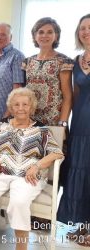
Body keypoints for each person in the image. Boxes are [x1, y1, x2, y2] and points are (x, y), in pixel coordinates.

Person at [0, 88, 63, 250]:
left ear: (32, 107)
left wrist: (36, 166)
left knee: (19, 202)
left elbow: (57, 153)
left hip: (27, 175)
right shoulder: (0, 126)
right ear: (11, 107)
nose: (20, 108)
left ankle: (20, 247)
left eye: (25, 104)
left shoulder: (41, 130)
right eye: (16, 105)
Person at [57, 13, 90, 247]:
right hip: (80, 124)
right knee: (80, 174)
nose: (86, 31)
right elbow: (74, 96)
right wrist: (65, 124)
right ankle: (83, 225)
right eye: (82, 28)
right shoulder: (77, 60)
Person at [22, 17, 73, 127]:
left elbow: (68, 96)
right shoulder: (27, 62)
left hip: (53, 124)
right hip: (29, 122)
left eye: (50, 32)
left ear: (56, 36)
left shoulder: (63, 61)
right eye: (41, 32)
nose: (45, 35)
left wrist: (62, 124)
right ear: (35, 36)